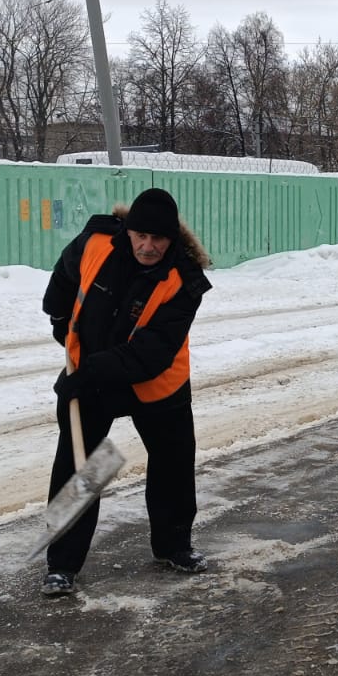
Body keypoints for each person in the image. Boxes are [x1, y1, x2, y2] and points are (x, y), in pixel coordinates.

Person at [40, 187, 213, 597]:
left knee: (173, 459)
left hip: (157, 380)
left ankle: (173, 546)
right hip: (93, 367)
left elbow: (150, 353)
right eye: (141, 236)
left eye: (158, 239)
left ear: (172, 240)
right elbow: (64, 277)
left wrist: (86, 374)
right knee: (81, 461)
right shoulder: (97, 242)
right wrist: (60, 319)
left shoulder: (185, 281)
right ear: (129, 231)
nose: (148, 247)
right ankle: (62, 563)